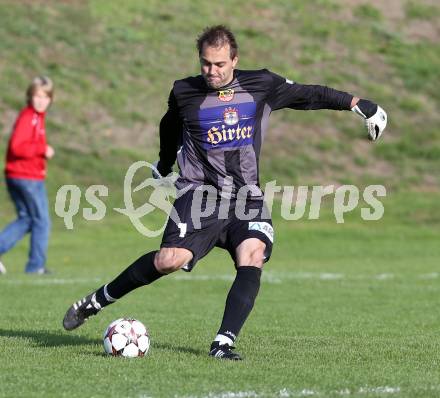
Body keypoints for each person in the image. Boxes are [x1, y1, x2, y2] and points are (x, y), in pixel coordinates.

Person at [63, 25, 387, 359]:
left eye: (219, 64)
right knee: (168, 260)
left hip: (246, 198)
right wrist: (163, 163)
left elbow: (309, 95)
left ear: (234, 60)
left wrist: (358, 104)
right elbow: (170, 125)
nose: (212, 71)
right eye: (206, 63)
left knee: (253, 255)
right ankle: (98, 300)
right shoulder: (184, 91)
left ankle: (223, 343)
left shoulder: (261, 84)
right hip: (199, 196)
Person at [0, 76, 55, 274]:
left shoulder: (37, 118)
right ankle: (35, 266)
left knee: (27, 219)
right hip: (26, 177)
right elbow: (17, 147)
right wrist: (43, 149)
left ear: (50, 99)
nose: (41, 100)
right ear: (30, 96)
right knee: (41, 221)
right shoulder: (29, 117)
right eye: (37, 96)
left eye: (45, 97)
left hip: (22, 175)